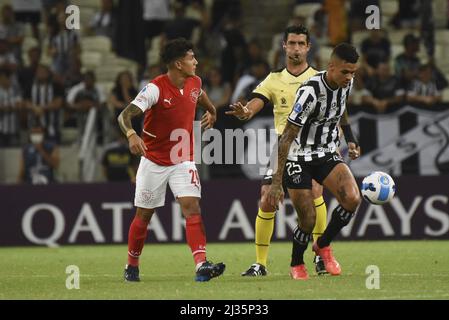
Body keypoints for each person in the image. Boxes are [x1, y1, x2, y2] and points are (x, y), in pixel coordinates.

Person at [226, 25, 335, 277]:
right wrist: (246, 112)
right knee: (267, 197)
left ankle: (319, 256)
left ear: (308, 47)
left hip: (313, 147)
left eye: (301, 44)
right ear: (284, 46)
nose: (296, 48)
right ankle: (260, 264)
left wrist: (344, 136)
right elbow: (255, 102)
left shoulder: (320, 78)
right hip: (284, 148)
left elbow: (336, 113)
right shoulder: (273, 79)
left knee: (315, 191)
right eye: (292, 43)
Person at [117, 38, 225, 282]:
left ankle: (201, 265)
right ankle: (131, 264)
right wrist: (132, 134)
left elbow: (201, 97)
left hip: (182, 158)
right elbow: (124, 116)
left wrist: (212, 111)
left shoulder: (195, 82)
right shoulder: (155, 88)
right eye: (191, 58)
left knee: (191, 207)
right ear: (178, 63)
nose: (196, 61)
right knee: (144, 216)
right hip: (153, 160)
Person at [267, 43, 362, 280]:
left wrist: (349, 139)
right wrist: (277, 182)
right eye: (345, 72)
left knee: (352, 198)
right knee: (308, 219)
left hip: (327, 152)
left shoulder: (345, 84)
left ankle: (323, 245)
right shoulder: (310, 92)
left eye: (353, 72)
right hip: (298, 157)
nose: (349, 77)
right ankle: (296, 262)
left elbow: (341, 109)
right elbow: (287, 136)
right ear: (331, 67)